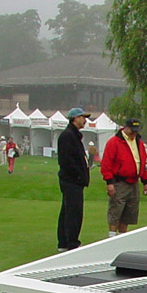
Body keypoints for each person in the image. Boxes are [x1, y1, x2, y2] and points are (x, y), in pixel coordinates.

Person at [100, 118, 147, 237]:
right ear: (125, 128)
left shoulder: (139, 143)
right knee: (115, 211)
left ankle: (122, 236)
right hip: (119, 182)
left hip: (134, 183)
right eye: (132, 131)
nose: (134, 134)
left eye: (136, 131)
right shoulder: (114, 142)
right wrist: (109, 182)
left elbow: (142, 162)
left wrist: (145, 181)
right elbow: (106, 164)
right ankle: (112, 237)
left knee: (128, 213)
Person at [56, 107, 91, 251]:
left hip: (74, 180)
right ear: (75, 118)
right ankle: (71, 242)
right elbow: (66, 160)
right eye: (83, 117)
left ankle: (64, 242)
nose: (85, 120)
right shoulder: (68, 136)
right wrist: (79, 175)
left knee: (67, 210)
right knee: (74, 212)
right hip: (71, 180)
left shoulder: (74, 135)